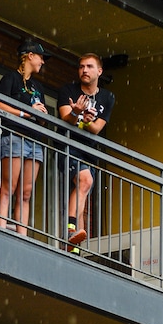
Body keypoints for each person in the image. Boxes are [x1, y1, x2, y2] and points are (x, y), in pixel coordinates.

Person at [57, 54, 115, 251]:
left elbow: (97, 128)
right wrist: (76, 113)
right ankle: (71, 229)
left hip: (88, 150)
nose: (84, 70)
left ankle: (74, 247)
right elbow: (66, 118)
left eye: (89, 66)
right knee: (85, 182)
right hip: (68, 145)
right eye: (81, 66)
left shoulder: (107, 97)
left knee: (83, 189)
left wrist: (88, 120)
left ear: (99, 71)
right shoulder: (68, 90)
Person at [0, 38, 48, 235]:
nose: (42, 62)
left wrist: (41, 116)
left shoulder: (38, 88)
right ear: (30, 56)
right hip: (14, 136)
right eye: (41, 57)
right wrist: (26, 112)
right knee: (9, 186)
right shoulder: (10, 78)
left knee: (25, 193)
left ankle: (22, 235)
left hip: (34, 142)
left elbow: (40, 118)